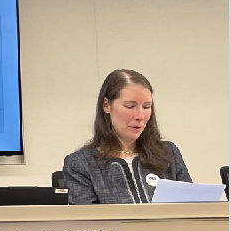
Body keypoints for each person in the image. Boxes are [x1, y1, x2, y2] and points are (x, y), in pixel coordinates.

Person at [63, 69, 191, 204]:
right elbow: (89, 222)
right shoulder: (81, 164)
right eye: (130, 106)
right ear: (106, 106)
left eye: (146, 107)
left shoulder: (169, 153)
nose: (140, 116)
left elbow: (191, 211)